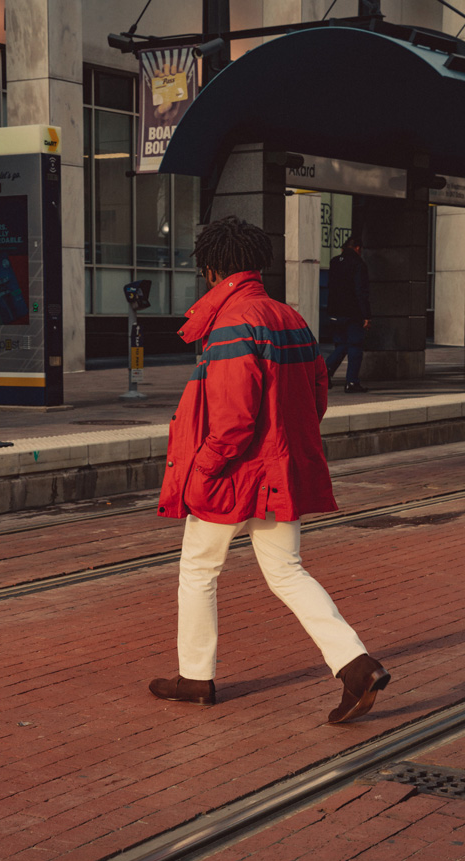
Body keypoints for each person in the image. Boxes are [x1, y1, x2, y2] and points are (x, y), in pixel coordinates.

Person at [150, 216, 390, 724]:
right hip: (279, 471)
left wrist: (203, 471)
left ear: (211, 270)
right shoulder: (291, 318)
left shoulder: (233, 323)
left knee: (198, 569)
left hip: (233, 474)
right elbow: (317, 394)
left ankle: (195, 677)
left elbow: (233, 420)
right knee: (287, 570)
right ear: (258, 263)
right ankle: (356, 666)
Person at [325, 236, 371, 393]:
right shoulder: (358, 264)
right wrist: (366, 315)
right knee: (355, 346)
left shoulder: (334, 262)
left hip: (334, 311)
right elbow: (361, 291)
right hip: (352, 312)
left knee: (342, 344)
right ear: (358, 248)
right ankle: (351, 382)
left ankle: (324, 374)